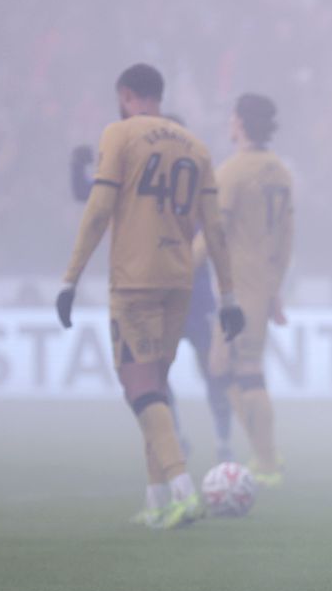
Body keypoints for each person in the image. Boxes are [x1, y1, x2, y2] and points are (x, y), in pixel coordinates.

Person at [57, 63, 245, 529]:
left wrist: (70, 278)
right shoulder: (196, 146)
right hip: (180, 280)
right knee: (155, 391)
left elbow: (99, 208)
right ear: (158, 96)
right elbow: (216, 230)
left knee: (139, 389)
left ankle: (183, 490)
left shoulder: (120, 134)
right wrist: (229, 295)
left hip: (134, 280)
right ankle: (157, 499)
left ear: (125, 94)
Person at [72, 120, 236, 463]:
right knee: (169, 375)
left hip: (179, 293)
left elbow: (88, 192)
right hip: (184, 293)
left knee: (192, 373)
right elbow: (88, 193)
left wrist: (78, 166)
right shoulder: (183, 179)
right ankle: (186, 441)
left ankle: (217, 443)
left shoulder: (147, 182)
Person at [194, 93, 294, 487]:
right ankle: (264, 450)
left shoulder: (233, 172)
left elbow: (214, 234)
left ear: (240, 124)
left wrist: (180, 267)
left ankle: (267, 463)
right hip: (259, 284)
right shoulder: (280, 171)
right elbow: (287, 237)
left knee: (245, 371)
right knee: (223, 367)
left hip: (239, 288)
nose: (229, 123)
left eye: (232, 117)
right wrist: (275, 287)